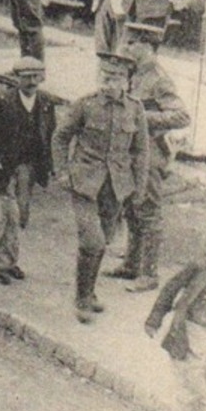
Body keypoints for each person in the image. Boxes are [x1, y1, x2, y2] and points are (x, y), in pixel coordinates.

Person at [52, 51, 150, 324]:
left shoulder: (135, 109)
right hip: (84, 183)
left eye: (116, 78)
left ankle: (90, 293)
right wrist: (62, 172)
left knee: (103, 241)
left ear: (127, 81)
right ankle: (81, 299)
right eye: (105, 77)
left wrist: (139, 188)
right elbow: (61, 137)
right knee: (91, 240)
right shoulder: (85, 105)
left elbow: (141, 152)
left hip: (116, 186)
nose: (109, 83)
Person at [107, 23, 191, 292]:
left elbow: (181, 116)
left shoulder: (158, 78)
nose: (127, 47)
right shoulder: (136, 73)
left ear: (147, 46)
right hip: (133, 150)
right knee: (133, 207)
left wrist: (143, 118)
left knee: (150, 211)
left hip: (151, 153)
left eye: (132, 44)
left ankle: (149, 275)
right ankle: (131, 265)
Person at [143, 214, 206, 411]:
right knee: (194, 390)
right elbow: (171, 287)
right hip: (189, 334)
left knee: (202, 388)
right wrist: (155, 318)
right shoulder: (202, 266)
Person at [0, 56, 58, 286]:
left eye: (36, 76)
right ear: (16, 78)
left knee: (20, 215)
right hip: (4, 166)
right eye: (26, 77)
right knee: (7, 214)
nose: (32, 81)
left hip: (28, 168)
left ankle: (11, 261)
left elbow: (50, 134)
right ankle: (2, 264)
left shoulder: (45, 102)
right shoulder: (2, 100)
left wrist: (50, 165)